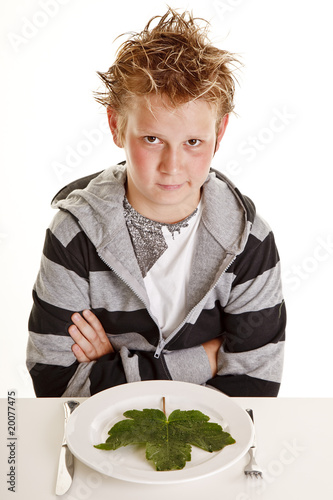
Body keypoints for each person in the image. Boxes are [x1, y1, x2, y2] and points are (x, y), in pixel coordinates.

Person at [27, 8, 286, 398]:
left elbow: (253, 389)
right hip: (105, 448)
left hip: (211, 452)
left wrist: (114, 358)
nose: (172, 166)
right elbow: (55, 383)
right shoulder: (73, 235)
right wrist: (207, 358)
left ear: (220, 133)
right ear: (116, 126)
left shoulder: (249, 242)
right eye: (152, 139)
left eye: (193, 143)